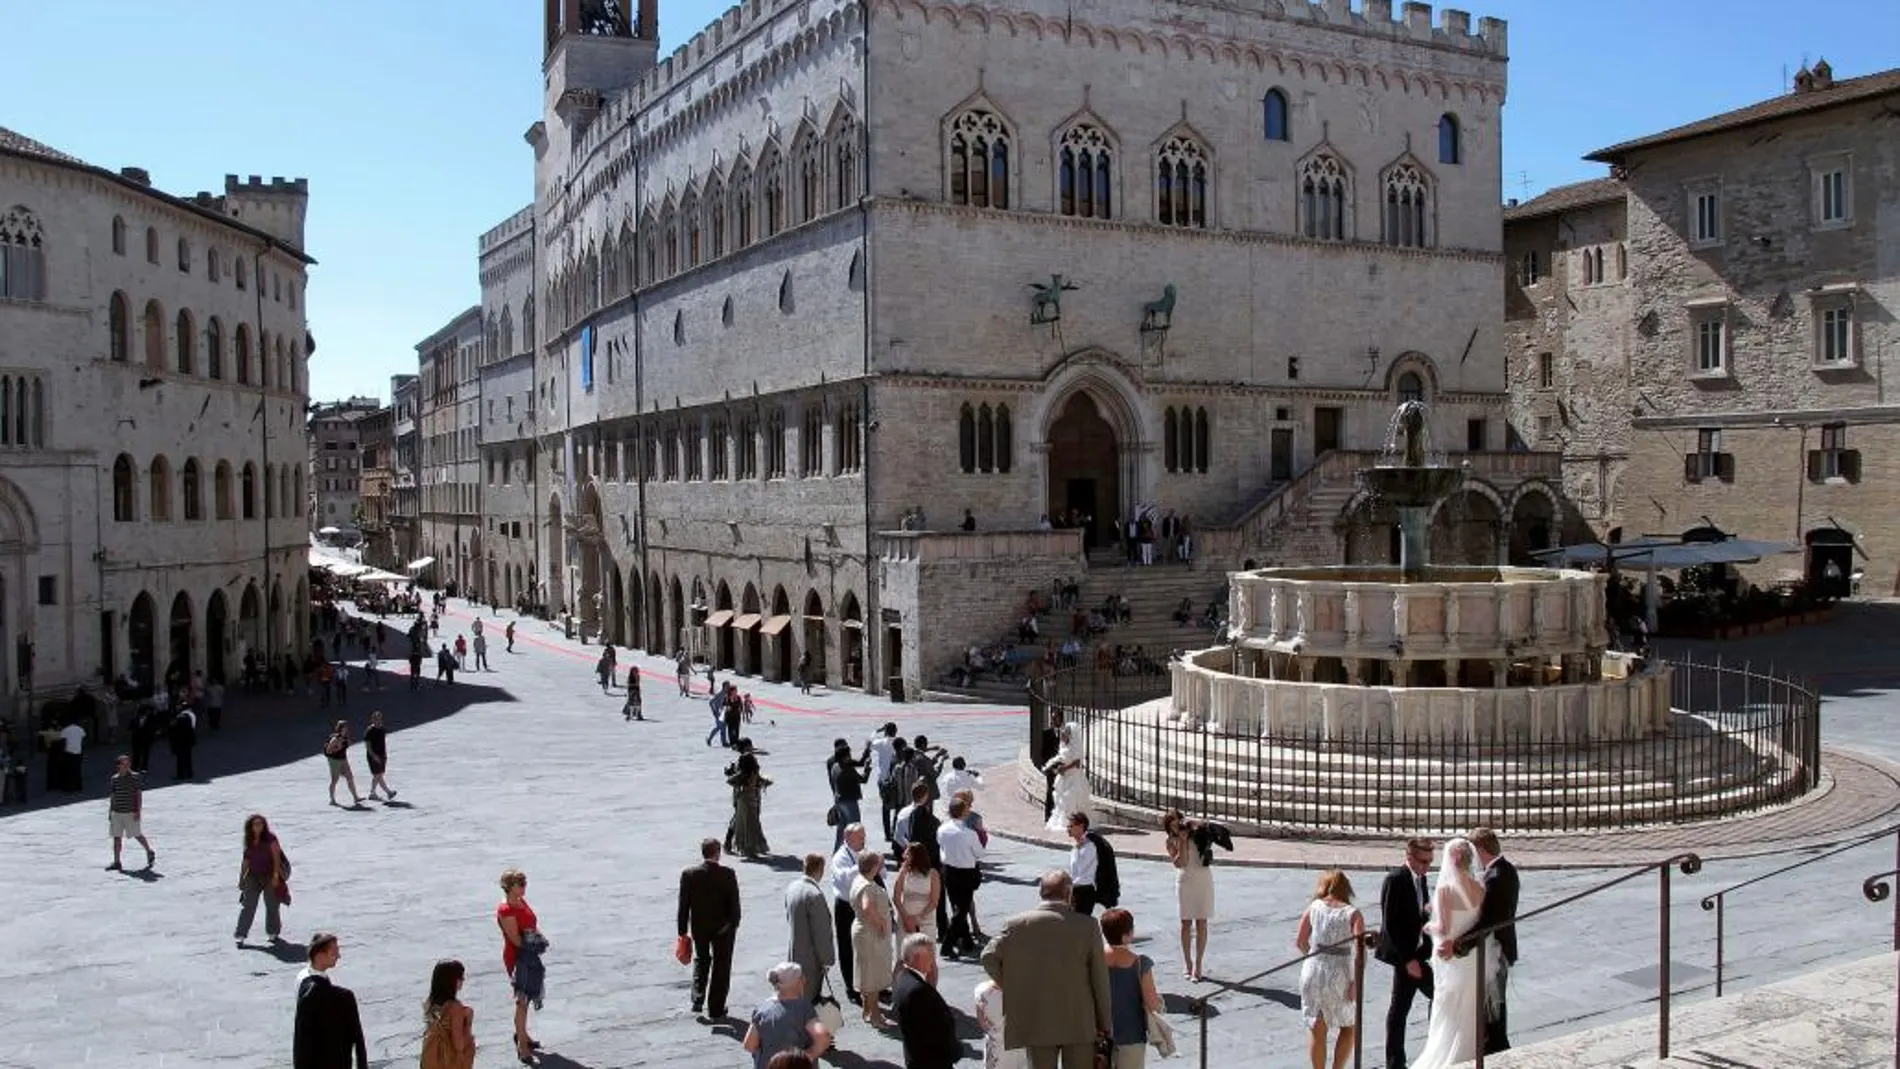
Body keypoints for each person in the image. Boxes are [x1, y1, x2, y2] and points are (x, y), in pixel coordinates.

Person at [981, 870, 1112, 1068]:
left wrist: (1011, 984)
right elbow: (1099, 979)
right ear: (1069, 894)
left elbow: (988, 956)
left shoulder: (1016, 925)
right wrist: (1105, 1023)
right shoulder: (1087, 926)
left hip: (1036, 1018)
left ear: (1041, 893)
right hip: (1079, 1019)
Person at [1454, 827, 1519, 1055]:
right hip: (1500, 946)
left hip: (1495, 950)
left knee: (1493, 1004)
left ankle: (1499, 1050)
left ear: (1481, 850)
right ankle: (1495, 1047)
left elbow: (1490, 920)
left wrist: (1462, 943)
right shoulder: (1506, 869)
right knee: (1493, 1003)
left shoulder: (1496, 877)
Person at [1296, 870, 1366, 1069]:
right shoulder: (1353, 913)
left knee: (1317, 1028)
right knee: (1349, 1026)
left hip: (1314, 968)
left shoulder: (1314, 907)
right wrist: (1356, 982)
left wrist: (1312, 958)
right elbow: (1360, 948)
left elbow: (1300, 941)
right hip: (1341, 972)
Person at [1376, 839, 1436, 1069]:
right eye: (1423, 861)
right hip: (1406, 957)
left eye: (1430, 862)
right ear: (1409, 857)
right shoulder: (1395, 880)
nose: (1426, 866)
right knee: (1401, 1009)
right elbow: (1390, 923)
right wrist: (1408, 960)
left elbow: (1421, 913)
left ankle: (1398, 1062)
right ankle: (1395, 1063)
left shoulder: (1421, 879)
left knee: (1404, 1006)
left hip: (1418, 953)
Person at [678, 839, 742, 1019]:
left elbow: (683, 906)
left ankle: (698, 998)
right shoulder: (727, 874)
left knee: (702, 960)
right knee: (721, 967)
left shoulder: (689, 874)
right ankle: (716, 1008)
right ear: (718, 853)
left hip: (700, 928)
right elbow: (734, 904)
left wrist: (682, 932)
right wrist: (733, 924)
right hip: (723, 928)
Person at [1162, 809, 1227, 982]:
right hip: (1185, 881)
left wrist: (1193, 823)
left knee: (1202, 923)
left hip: (1203, 879)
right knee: (1185, 923)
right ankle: (1187, 963)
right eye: (1173, 823)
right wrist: (1182, 841)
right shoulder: (1171, 841)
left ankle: (1198, 964)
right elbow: (1180, 863)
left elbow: (1213, 827)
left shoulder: (1198, 833)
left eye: (1179, 821)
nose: (1177, 825)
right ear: (1169, 827)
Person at [293, 932, 368, 1069]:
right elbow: (358, 1039)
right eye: (334, 952)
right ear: (320, 956)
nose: (338, 956)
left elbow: (301, 1040)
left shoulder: (301, 978)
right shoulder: (343, 997)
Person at [1101, 909, 1163, 1069]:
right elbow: (1152, 1003)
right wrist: (1160, 1003)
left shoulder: (1094, 961)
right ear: (1126, 935)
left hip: (1098, 1033)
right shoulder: (1141, 964)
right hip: (1131, 1034)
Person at [744, 962, 834, 1069]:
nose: (805, 980)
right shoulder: (803, 1008)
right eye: (802, 977)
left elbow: (749, 1045)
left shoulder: (762, 1009)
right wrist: (804, 1058)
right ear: (796, 982)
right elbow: (823, 1038)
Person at [496, 869, 545, 1063]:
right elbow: (516, 939)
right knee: (522, 1001)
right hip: (518, 957)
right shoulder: (506, 909)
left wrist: (539, 937)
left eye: (525, 882)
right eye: (520, 883)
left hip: (530, 955)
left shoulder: (521, 901)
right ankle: (522, 1047)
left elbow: (531, 924)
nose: (524, 886)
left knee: (527, 998)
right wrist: (534, 942)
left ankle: (523, 1034)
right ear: (510, 886)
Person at [892, 934, 961, 1068]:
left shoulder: (902, 979)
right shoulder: (919, 991)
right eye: (930, 954)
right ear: (918, 958)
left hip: (917, 1056)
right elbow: (936, 1031)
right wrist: (955, 1051)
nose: (933, 959)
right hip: (931, 1061)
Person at [850, 850, 896, 1027]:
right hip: (870, 932)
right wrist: (882, 923)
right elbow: (868, 907)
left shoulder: (858, 880)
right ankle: (876, 1016)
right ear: (874, 866)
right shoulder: (868, 886)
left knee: (865, 971)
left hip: (862, 929)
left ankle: (867, 1009)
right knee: (872, 976)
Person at [938, 796, 986, 958]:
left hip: (949, 871)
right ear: (963, 812)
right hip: (965, 873)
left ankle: (966, 940)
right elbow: (980, 853)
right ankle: (947, 944)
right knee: (962, 910)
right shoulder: (969, 834)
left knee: (956, 906)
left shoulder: (942, 829)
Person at [784, 853, 836, 1000]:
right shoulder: (814, 895)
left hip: (795, 952)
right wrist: (827, 959)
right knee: (810, 998)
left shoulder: (792, 887)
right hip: (811, 959)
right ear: (820, 869)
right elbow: (821, 932)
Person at [829, 824, 867, 1006]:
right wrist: (862, 865)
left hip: (863, 903)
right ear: (848, 838)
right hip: (846, 906)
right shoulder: (840, 857)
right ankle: (852, 987)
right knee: (847, 947)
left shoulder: (862, 851)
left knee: (866, 944)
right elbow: (844, 877)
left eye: (864, 837)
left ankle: (870, 983)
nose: (863, 840)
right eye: (860, 838)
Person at [235, 814, 289, 945]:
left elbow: (276, 858)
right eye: (255, 824)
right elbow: (246, 860)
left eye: (261, 824)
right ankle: (241, 934)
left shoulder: (271, 838)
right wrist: (241, 878)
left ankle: (273, 932)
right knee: (248, 905)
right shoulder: (249, 839)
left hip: (270, 875)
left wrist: (276, 876)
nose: (258, 826)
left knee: (271, 905)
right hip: (253, 876)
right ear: (251, 826)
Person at [420, 959, 476, 1069]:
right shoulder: (455, 1008)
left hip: (430, 1059)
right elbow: (459, 1045)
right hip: (449, 1062)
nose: (463, 980)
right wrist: (469, 1021)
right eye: (460, 977)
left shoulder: (430, 1004)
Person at [106, 754, 156, 871]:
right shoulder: (114, 779)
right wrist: (110, 811)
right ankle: (117, 861)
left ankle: (149, 851)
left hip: (130, 812)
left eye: (128, 763)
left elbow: (138, 794)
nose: (127, 765)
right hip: (117, 812)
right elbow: (113, 795)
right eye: (124, 763)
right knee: (116, 837)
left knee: (137, 834)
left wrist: (138, 810)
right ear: (118, 765)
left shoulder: (135, 777)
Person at [725, 738, 772, 857]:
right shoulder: (744, 760)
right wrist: (742, 785)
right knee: (741, 820)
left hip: (751, 796)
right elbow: (733, 779)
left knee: (747, 821)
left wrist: (762, 782)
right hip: (744, 797)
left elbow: (756, 778)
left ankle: (747, 845)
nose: (751, 748)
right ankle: (734, 843)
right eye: (748, 746)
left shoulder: (749, 761)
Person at [1042, 724, 1090, 834]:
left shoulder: (1075, 747)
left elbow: (1077, 763)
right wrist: (1051, 765)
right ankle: (1066, 822)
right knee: (1061, 801)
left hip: (1073, 778)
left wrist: (1065, 768)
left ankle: (1075, 823)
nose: (1062, 735)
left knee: (1071, 800)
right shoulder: (1064, 745)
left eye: (1065, 733)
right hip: (1064, 777)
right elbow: (1060, 757)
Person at [974, 976, 1027, 1069]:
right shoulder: (1029, 991)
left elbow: (982, 1022)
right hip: (1023, 1048)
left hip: (997, 1050)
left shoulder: (982, 992)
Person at [827, 739, 870, 849]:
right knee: (855, 829)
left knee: (842, 830)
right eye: (849, 754)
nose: (850, 756)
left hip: (839, 801)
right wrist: (868, 769)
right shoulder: (847, 768)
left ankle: (837, 853)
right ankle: (857, 854)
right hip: (849, 801)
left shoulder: (835, 766)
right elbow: (863, 779)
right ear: (845, 756)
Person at [895, 843, 942, 940]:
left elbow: (934, 902)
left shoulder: (933, 874)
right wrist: (906, 919)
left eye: (907, 854)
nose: (903, 855)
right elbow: (896, 898)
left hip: (926, 919)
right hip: (905, 918)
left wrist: (917, 919)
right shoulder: (903, 872)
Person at [323, 720, 364, 807]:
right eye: (344, 728)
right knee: (335, 780)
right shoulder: (335, 739)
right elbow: (328, 751)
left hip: (343, 759)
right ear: (340, 729)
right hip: (334, 761)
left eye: (346, 728)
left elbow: (349, 744)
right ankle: (332, 799)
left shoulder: (345, 737)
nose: (346, 730)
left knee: (350, 777)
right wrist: (337, 748)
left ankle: (355, 797)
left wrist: (348, 741)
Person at [363, 711, 396, 801]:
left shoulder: (382, 729)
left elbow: (383, 742)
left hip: (382, 755)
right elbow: (367, 746)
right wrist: (373, 756)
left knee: (379, 775)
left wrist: (385, 754)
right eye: (376, 718)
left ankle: (373, 793)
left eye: (379, 718)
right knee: (378, 775)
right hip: (373, 756)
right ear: (372, 720)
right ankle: (387, 792)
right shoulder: (369, 731)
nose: (378, 720)